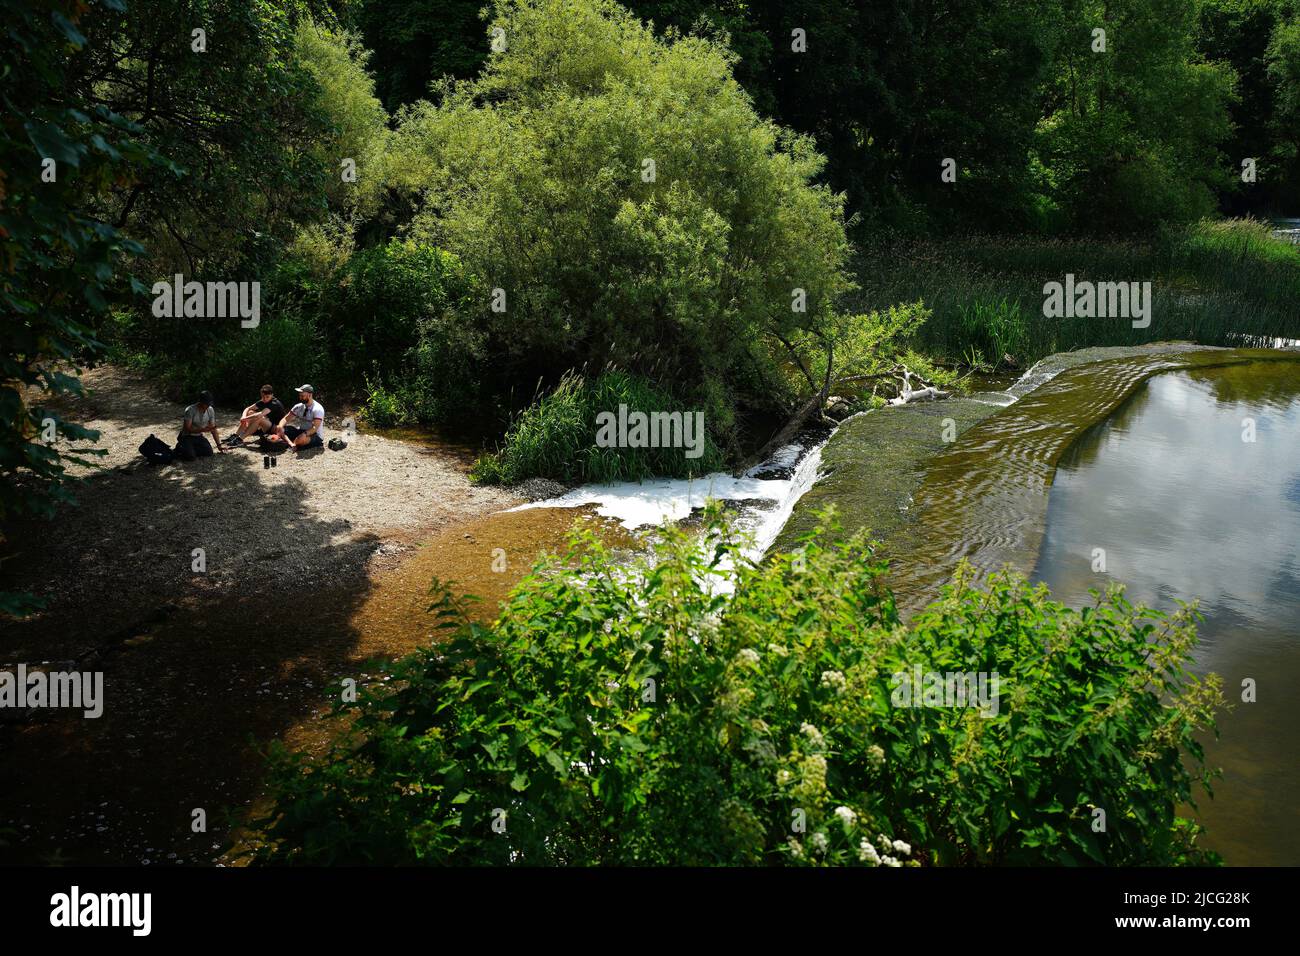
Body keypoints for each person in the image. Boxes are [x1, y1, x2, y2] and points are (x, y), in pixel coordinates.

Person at [268, 384, 325, 451]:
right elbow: (286, 418)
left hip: (314, 434)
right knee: (277, 428)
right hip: (300, 431)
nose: (300, 398)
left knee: (301, 439)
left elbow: (315, 428)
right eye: (300, 395)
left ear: (309, 395)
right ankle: (292, 444)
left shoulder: (317, 409)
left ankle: (291, 443)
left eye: (302, 396)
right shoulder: (298, 406)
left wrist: (305, 434)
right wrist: (280, 426)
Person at [174, 390, 225, 461]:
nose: (208, 406)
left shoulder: (210, 410)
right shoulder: (190, 410)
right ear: (200, 402)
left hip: (198, 436)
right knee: (190, 457)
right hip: (187, 436)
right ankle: (182, 447)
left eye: (209, 404)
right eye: (206, 404)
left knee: (209, 452)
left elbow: (213, 429)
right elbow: (187, 429)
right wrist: (202, 430)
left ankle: (190, 449)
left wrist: (219, 445)